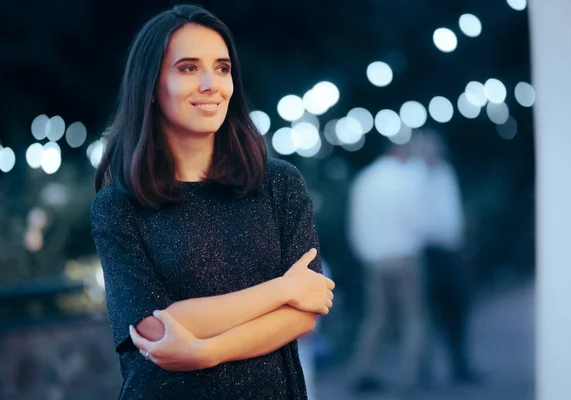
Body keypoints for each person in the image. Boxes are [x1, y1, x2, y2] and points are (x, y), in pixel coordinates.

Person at [90, 5, 335, 399]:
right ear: (151, 87)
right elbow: (154, 327)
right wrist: (281, 289)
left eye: (222, 68)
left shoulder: (279, 184)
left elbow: (306, 309)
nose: (211, 84)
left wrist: (205, 351)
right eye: (188, 68)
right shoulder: (119, 206)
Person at [347, 143, 428, 393]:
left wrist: (364, 252)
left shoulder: (364, 179)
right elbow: (417, 219)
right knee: (413, 317)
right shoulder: (407, 179)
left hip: (373, 258)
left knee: (376, 318)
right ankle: (410, 376)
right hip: (404, 255)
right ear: (402, 152)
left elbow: (354, 221)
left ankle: (363, 370)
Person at [416, 130, 479, 384]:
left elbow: (452, 210)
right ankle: (424, 372)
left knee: (458, 308)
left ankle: (460, 365)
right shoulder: (413, 176)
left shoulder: (445, 173)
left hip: (451, 249)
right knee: (428, 312)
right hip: (426, 251)